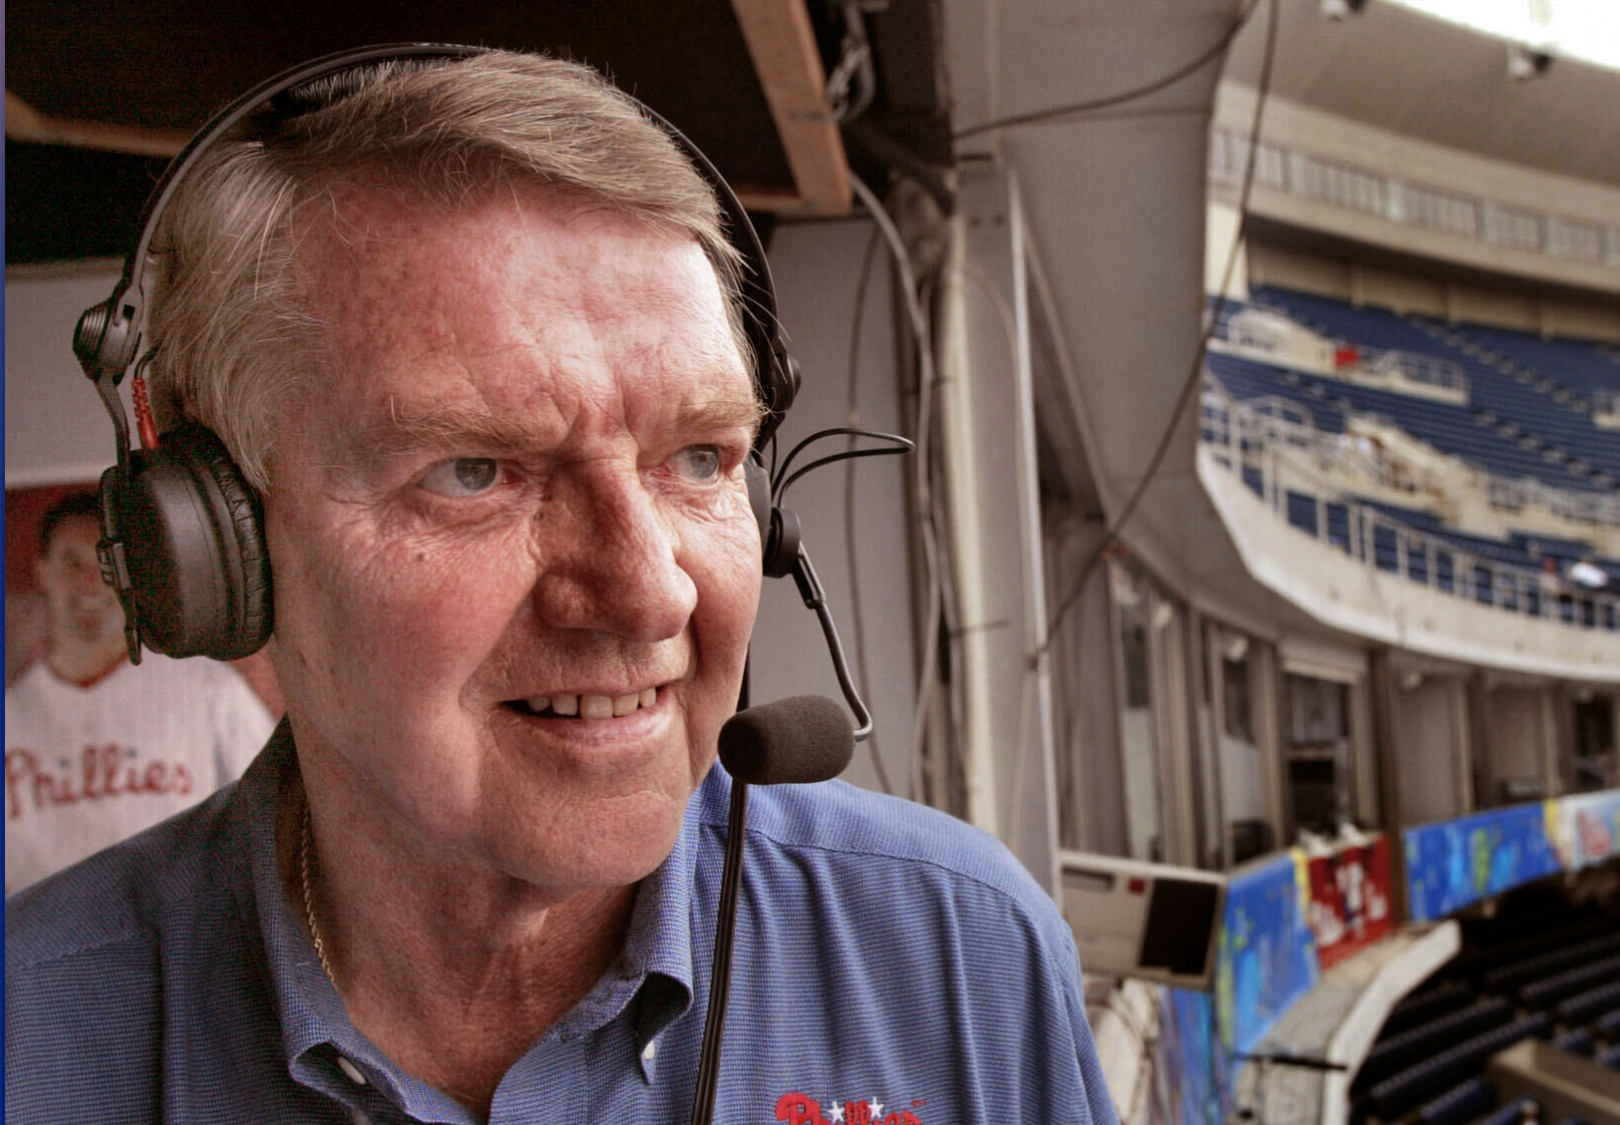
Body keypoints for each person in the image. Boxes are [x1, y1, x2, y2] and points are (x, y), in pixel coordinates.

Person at [6, 49, 1114, 1124]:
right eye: (473, 472)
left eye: (699, 458)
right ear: (217, 553)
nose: (647, 596)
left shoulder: (959, 951)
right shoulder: (34, 1034)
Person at [5, 490, 273, 894]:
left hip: (181, 943)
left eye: (105, 564)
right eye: (71, 562)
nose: (90, 582)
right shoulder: (11, 716)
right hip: (44, 951)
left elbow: (274, 819)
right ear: (42, 572)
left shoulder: (205, 688)